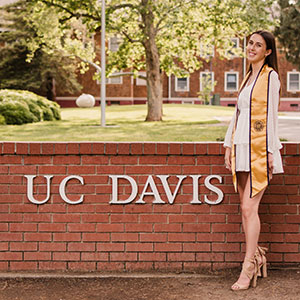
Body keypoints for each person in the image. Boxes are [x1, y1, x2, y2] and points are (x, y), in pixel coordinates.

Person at [223, 30, 284, 291]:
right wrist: (228, 145)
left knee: (249, 209)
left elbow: (271, 116)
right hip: (241, 147)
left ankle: (248, 265)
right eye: (250, 43)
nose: (252, 48)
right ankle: (257, 255)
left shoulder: (271, 77)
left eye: (258, 45)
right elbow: (238, 115)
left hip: (259, 150)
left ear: (268, 51)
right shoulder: (247, 77)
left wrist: (270, 152)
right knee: (245, 210)